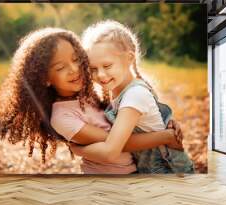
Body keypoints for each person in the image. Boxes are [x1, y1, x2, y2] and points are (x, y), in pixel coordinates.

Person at [0, 27, 182, 174]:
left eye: (76, 59)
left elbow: (131, 117)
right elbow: (119, 142)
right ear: (45, 78)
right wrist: (165, 136)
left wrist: (163, 123)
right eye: (61, 67)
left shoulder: (91, 94)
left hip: (135, 170)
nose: (74, 69)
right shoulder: (62, 117)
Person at [76, 20, 194, 173]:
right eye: (93, 69)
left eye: (107, 66)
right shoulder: (117, 91)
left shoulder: (134, 95)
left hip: (168, 171)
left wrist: (78, 148)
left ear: (129, 58)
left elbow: (114, 147)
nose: (100, 75)